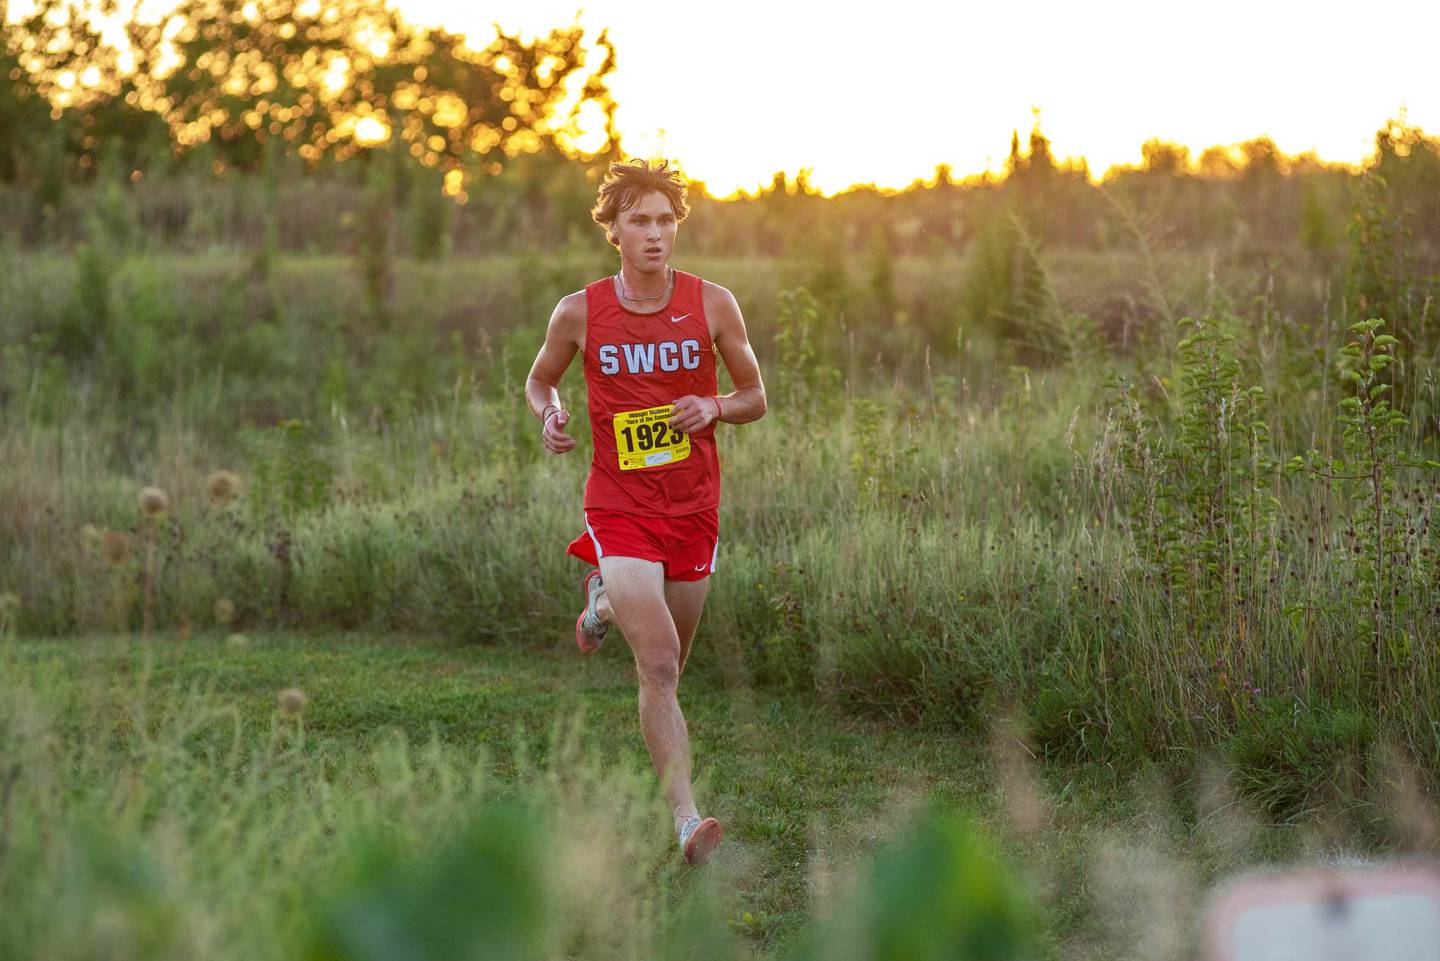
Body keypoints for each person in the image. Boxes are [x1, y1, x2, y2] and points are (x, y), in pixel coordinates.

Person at [524, 159, 767, 866]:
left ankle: (599, 602)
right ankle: (688, 820)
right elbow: (541, 380)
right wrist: (553, 411)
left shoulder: (713, 303)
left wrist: (716, 404)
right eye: (640, 220)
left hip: (693, 507)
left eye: (666, 220)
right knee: (657, 663)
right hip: (619, 503)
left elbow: (756, 395)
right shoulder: (579, 311)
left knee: (671, 667)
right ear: (614, 231)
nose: (656, 234)